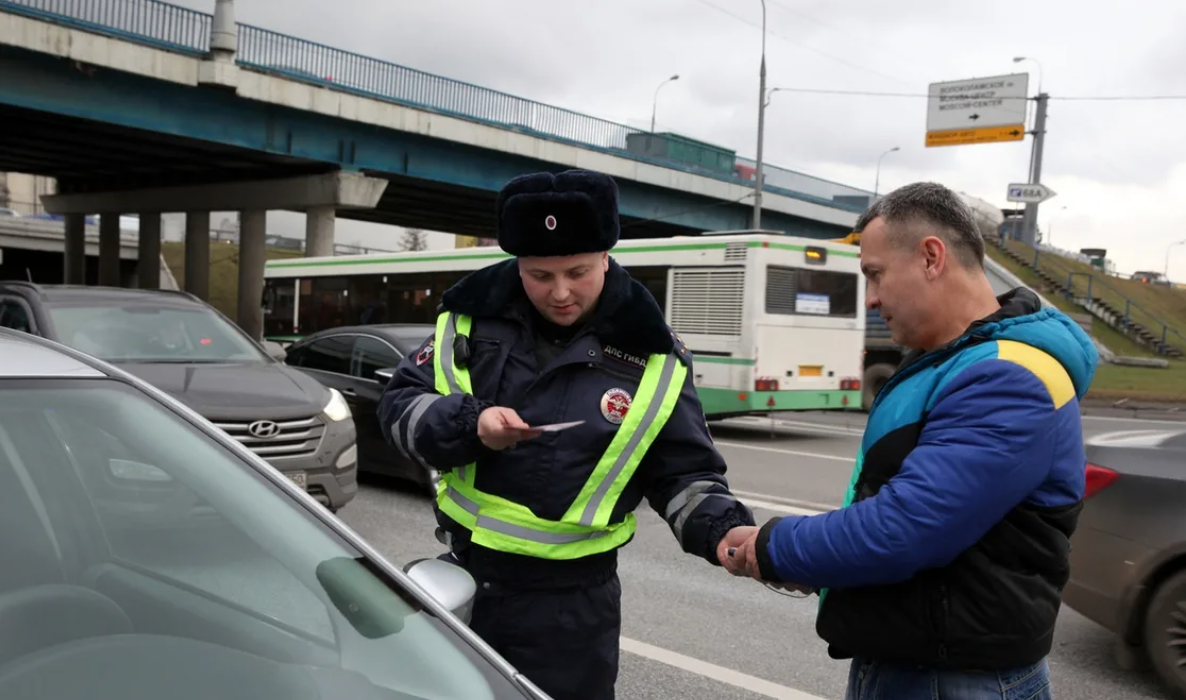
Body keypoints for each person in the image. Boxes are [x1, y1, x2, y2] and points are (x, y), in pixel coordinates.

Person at [378, 169, 755, 700]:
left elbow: (684, 472)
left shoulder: (655, 357)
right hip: (464, 580)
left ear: (606, 256)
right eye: (539, 275)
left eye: (577, 272)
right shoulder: (465, 324)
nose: (559, 293)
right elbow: (399, 410)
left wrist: (723, 530)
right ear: (517, 265)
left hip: (573, 611)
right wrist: (472, 425)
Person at [723, 182, 1097, 699]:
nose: (871, 297)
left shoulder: (1007, 377)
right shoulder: (953, 359)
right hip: (922, 664)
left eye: (874, 275)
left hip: (957, 680)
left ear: (930, 257)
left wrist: (775, 547)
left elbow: (907, 527)